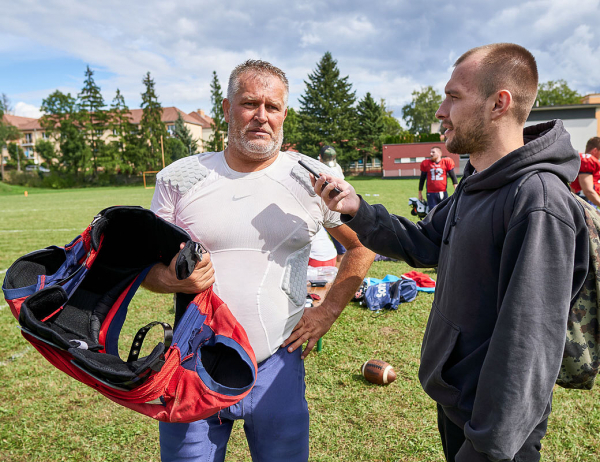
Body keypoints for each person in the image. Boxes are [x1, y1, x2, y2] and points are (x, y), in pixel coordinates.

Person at [311, 43, 589, 461]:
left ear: (499, 104)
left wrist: (487, 446)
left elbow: (528, 346)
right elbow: (424, 243)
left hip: (493, 434)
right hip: (459, 400)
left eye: (453, 96)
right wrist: (358, 209)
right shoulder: (479, 182)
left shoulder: (538, 201)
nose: (440, 111)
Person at [142, 59, 374, 462]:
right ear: (226, 109)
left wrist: (327, 312)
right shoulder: (179, 177)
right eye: (250, 103)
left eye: (273, 106)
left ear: (285, 113)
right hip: (192, 362)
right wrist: (174, 282)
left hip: (277, 364)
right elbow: (146, 267)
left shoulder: (313, 177)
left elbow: (363, 245)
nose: (261, 117)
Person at [318, 145, 346, 265]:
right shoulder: (336, 167)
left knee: (340, 247)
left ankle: (336, 272)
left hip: (332, 211)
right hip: (321, 210)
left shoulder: (335, 168)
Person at [570, 137, 600, 207]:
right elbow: (588, 191)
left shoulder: (581, 159)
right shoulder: (588, 160)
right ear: (595, 150)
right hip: (585, 201)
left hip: (579, 200)